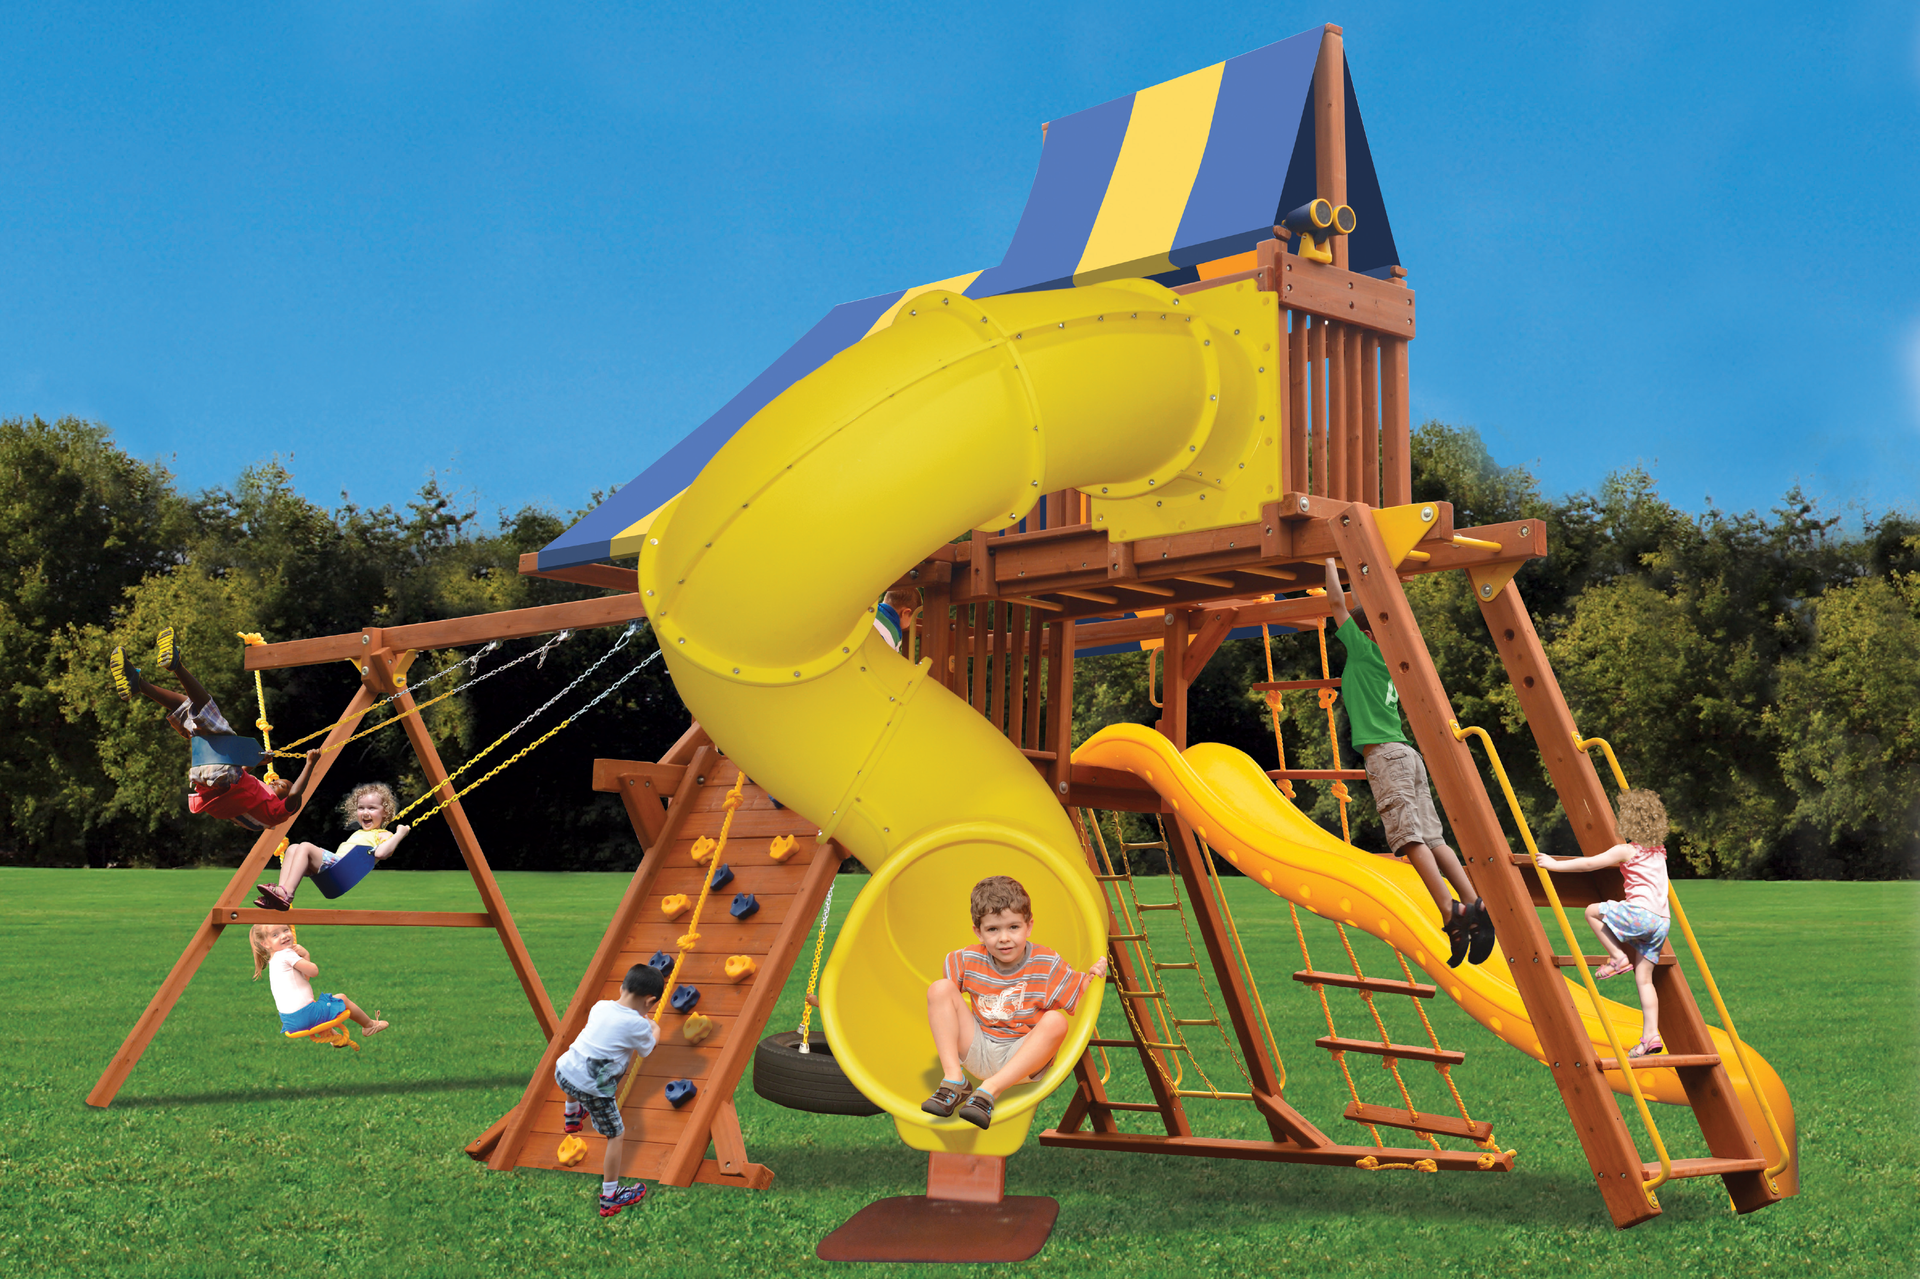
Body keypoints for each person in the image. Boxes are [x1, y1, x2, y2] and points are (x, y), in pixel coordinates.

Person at [1323, 558, 1494, 968]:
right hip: (1407, 755)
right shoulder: (1388, 661)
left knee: (1408, 839)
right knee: (1434, 839)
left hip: (1385, 755)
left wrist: (1330, 560)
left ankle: (1450, 911)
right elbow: (1354, 610)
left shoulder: (1363, 652)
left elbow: (1336, 604)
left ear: (1362, 635)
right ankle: (1474, 903)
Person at [921, 875, 1108, 1130]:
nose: (1004, 938)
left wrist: (1094, 975)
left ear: (1028, 926)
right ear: (978, 932)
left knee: (1055, 1020)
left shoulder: (1045, 962)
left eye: (1013, 927)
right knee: (939, 988)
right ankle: (954, 1079)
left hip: (1020, 1058)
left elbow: (1078, 994)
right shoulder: (965, 959)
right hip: (979, 1048)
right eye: (993, 930)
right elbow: (944, 1005)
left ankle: (990, 1090)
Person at [114, 629, 321, 833]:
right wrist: (255, 762)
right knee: (189, 712)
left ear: (283, 798)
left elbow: (295, 795)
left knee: (207, 708)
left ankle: (176, 665)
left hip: (222, 778)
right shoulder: (258, 798)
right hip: (206, 777)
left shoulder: (277, 811)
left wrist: (310, 764)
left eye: (281, 786)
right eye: (278, 781)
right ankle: (139, 684)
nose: (275, 782)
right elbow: (242, 780)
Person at [1535, 788, 1672, 1058]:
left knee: (1592, 911)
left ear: (1628, 822)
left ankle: (1618, 957)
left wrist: (1554, 865)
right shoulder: (1660, 852)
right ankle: (1651, 1035)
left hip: (1641, 914)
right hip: (1662, 922)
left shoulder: (1626, 851)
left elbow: (1589, 864)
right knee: (1644, 980)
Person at [553, 963, 665, 1218]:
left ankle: (572, 1115)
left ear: (622, 987)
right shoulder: (638, 1026)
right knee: (616, 1134)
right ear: (650, 1001)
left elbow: (619, 1024)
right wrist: (655, 1028)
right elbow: (648, 1049)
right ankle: (610, 1196)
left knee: (582, 1064)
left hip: (563, 1072)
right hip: (593, 1089)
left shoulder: (601, 1006)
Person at [255, 782, 410, 910]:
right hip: (333, 870)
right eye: (361, 808)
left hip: (341, 869)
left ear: (386, 812)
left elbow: (381, 853)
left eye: (372, 808)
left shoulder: (384, 835)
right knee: (293, 848)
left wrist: (399, 834)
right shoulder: (359, 833)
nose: (365, 812)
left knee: (305, 847)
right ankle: (279, 896)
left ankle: (286, 892)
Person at [249, 923, 389, 1039]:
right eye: (275, 934)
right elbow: (314, 972)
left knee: (318, 1006)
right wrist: (306, 955)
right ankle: (369, 1026)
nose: (284, 935)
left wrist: (304, 957)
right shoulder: (286, 954)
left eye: (286, 930)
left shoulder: (273, 960)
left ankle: (334, 1039)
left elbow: (304, 979)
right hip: (306, 1016)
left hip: (290, 1022)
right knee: (342, 998)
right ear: (265, 944)